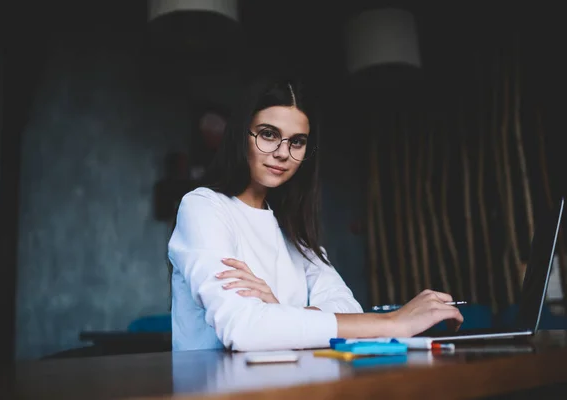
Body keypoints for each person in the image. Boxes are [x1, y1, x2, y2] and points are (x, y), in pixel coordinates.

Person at [167, 77, 463, 352]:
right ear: (240, 135)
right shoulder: (203, 207)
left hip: (292, 384)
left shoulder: (293, 227)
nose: (283, 152)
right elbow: (243, 330)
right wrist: (392, 322)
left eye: (297, 141)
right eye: (269, 134)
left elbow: (348, 308)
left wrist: (276, 313)